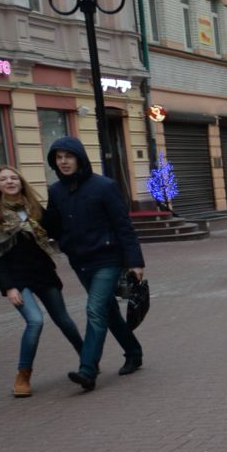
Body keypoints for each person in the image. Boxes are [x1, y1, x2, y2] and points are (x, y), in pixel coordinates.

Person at [42, 136, 145, 393]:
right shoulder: (55, 191)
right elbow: (53, 226)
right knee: (108, 312)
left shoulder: (104, 186)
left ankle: (87, 370)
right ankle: (133, 351)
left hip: (108, 258)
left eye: (69, 156)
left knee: (95, 310)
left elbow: (124, 226)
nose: (64, 162)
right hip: (80, 261)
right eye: (58, 157)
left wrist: (135, 261)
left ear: (80, 158)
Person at [0, 165, 83, 398]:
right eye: (4, 179)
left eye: (13, 178)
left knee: (64, 320)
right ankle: (23, 374)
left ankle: (87, 358)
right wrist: (8, 287)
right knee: (35, 321)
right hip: (17, 278)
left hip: (42, 272)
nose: (9, 182)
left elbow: (55, 228)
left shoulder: (34, 207)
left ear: (20, 182)